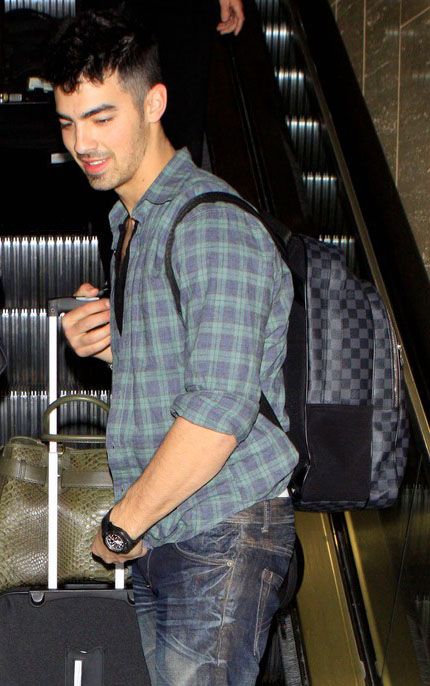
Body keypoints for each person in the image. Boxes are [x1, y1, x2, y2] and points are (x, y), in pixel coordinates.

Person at [45, 9, 298, 685]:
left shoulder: (209, 223)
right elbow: (187, 371)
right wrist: (113, 349)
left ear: (154, 103)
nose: (82, 142)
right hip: (174, 530)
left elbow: (217, 412)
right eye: (68, 123)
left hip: (218, 527)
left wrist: (121, 525)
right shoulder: (134, 225)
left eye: (102, 117)